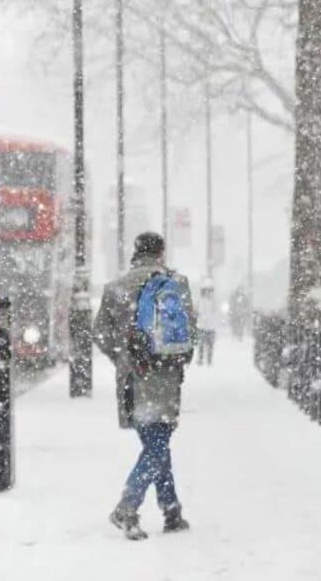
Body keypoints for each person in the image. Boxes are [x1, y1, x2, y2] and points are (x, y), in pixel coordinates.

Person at [93, 231, 195, 540]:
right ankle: (129, 507)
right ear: (161, 253)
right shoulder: (177, 284)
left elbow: (99, 332)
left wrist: (124, 357)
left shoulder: (115, 288)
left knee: (154, 442)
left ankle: (171, 509)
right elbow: (190, 327)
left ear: (135, 253)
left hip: (132, 378)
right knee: (157, 442)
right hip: (167, 375)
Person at [195, 279, 217, 365]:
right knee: (201, 344)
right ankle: (200, 359)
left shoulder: (213, 301)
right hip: (201, 326)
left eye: (210, 290)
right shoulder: (199, 301)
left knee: (210, 345)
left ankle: (209, 360)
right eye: (207, 290)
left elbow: (215, 313)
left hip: (210, 326)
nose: (209, 292)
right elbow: (196, 312)